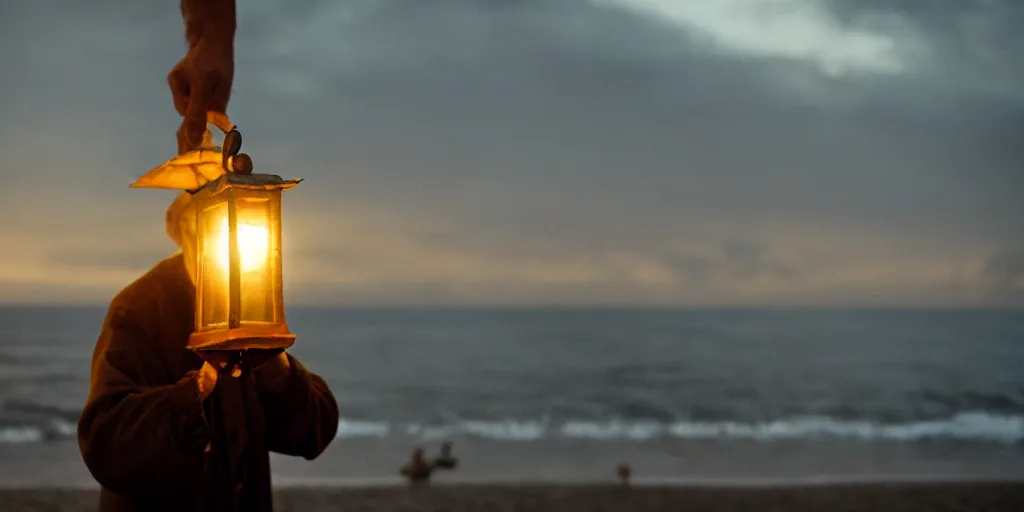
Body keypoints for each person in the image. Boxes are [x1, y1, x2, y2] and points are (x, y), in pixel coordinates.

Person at [76, 1, 340, 511]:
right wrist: (200, 387)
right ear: (190, 233)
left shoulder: (251, 304)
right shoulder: (141, 308)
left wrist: (277, 374)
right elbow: (104, 441)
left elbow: (315, 432)